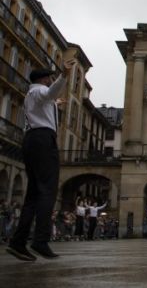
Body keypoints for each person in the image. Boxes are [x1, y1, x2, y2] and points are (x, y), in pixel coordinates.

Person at [6, 59, 75, 261]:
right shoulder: (37, 91)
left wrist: (55, 104)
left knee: (33, 194)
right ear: (44, 79)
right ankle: (40, 240)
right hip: (43, 140)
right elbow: (50, 93)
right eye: (50, 78)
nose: (51, 80)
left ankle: (18, 243)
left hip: (32, 140)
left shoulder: (33, 96)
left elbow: (49, 100)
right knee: (48, 190)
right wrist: (64, 75)